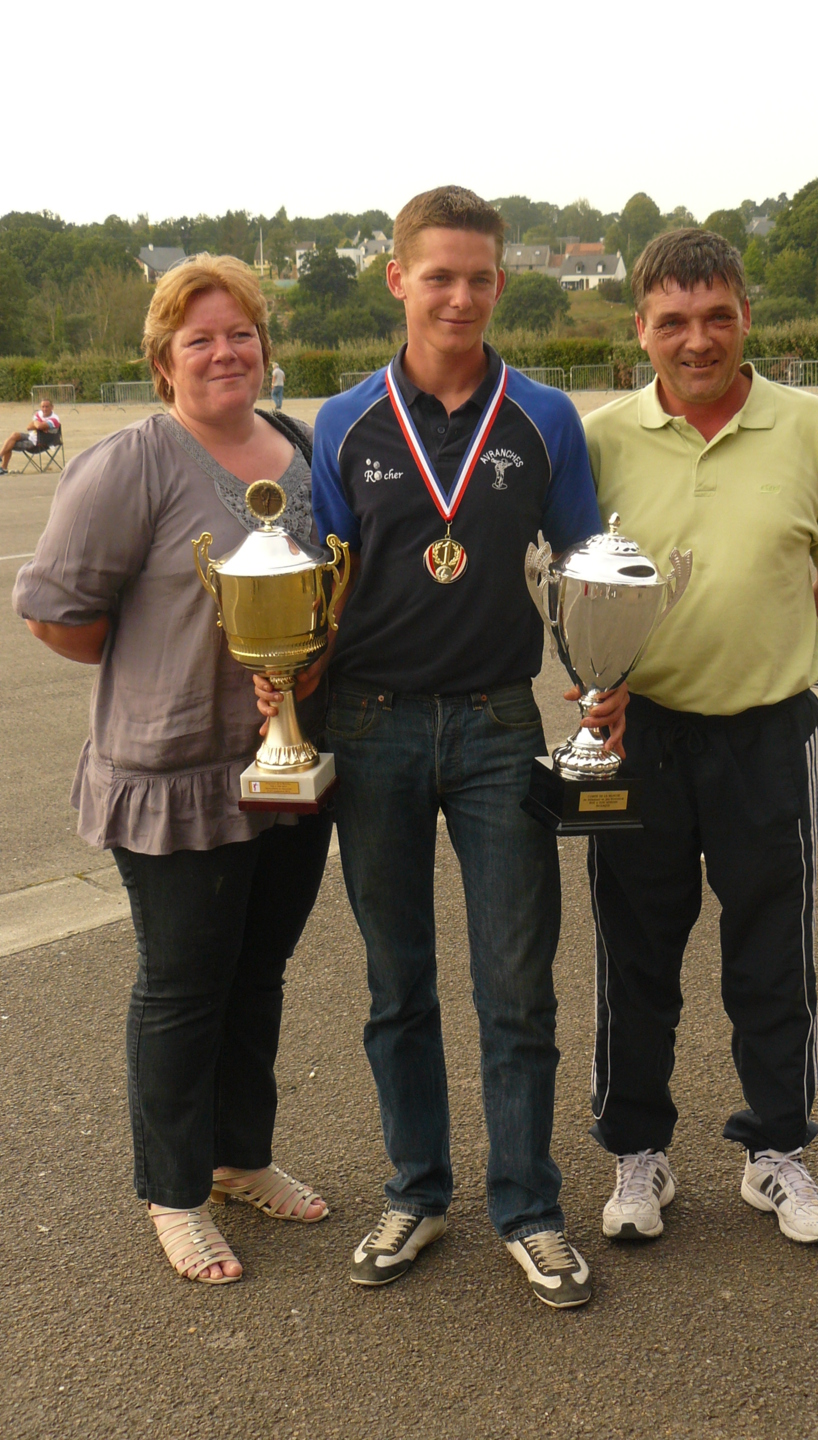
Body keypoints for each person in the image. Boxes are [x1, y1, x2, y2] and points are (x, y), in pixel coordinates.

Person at [257, 186, 623, 1308]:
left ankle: (530, 1208)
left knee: (516, 987)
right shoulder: (348, 418)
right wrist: (281, 662)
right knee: (395, 982)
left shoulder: (546, 417)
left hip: (497, 721)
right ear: (397, 279)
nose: (458, 295)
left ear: (500, 284)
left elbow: (587, 564)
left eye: (478, 277)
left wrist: (605, 679)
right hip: (368, 725)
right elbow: (314, 573)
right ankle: (415, 1190)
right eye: (438, 275)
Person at [13, 254, 332, 1286]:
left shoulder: (300, 446)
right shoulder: (130, 463)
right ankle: (174, 1190)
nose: (224, 352)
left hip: (284, 771)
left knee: (259, 974)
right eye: (199, 338)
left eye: (239, 333)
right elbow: (53, 611)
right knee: (184, 984)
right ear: (163, 359)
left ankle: (241, 1158)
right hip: (172, 775)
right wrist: (160, 669)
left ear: (264, 346)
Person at [581, 228, 818, 1248]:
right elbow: (578, 594)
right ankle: (637, 1154)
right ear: (640, 331)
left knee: (771, 953)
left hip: (769, 735)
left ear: (746, 316)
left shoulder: (815, 428)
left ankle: (776, 1151)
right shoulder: (603, 437)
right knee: (635, 951)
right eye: (673, 322)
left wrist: (760, 653)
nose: (695, 340)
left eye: (715, 317)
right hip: (642, 738)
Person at [0, 397, 61, 473]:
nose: (44, 409)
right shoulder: (39, 413)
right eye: (43, 407)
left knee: (9, 444)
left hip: (40, 443)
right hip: (32, 436)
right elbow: (29, 427)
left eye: (47, 407)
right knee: (14, 435)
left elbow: (39, 426)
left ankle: (3, 468)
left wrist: (36, 423)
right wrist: (38, 425)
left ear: (52, 407)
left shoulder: (54, 419)